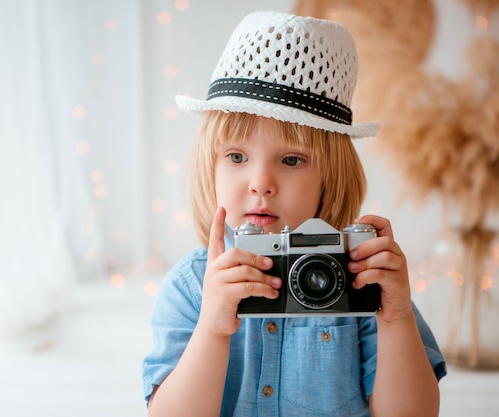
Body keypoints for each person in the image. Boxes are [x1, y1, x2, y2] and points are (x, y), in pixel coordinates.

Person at [142, 10, 446, 417]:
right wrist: (213, 328)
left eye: (290, 159)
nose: (261, 183)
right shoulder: (192, 286)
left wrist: (397, 318)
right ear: (210, 167)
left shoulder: (358, 278)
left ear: (330, 176)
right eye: (236, 156)